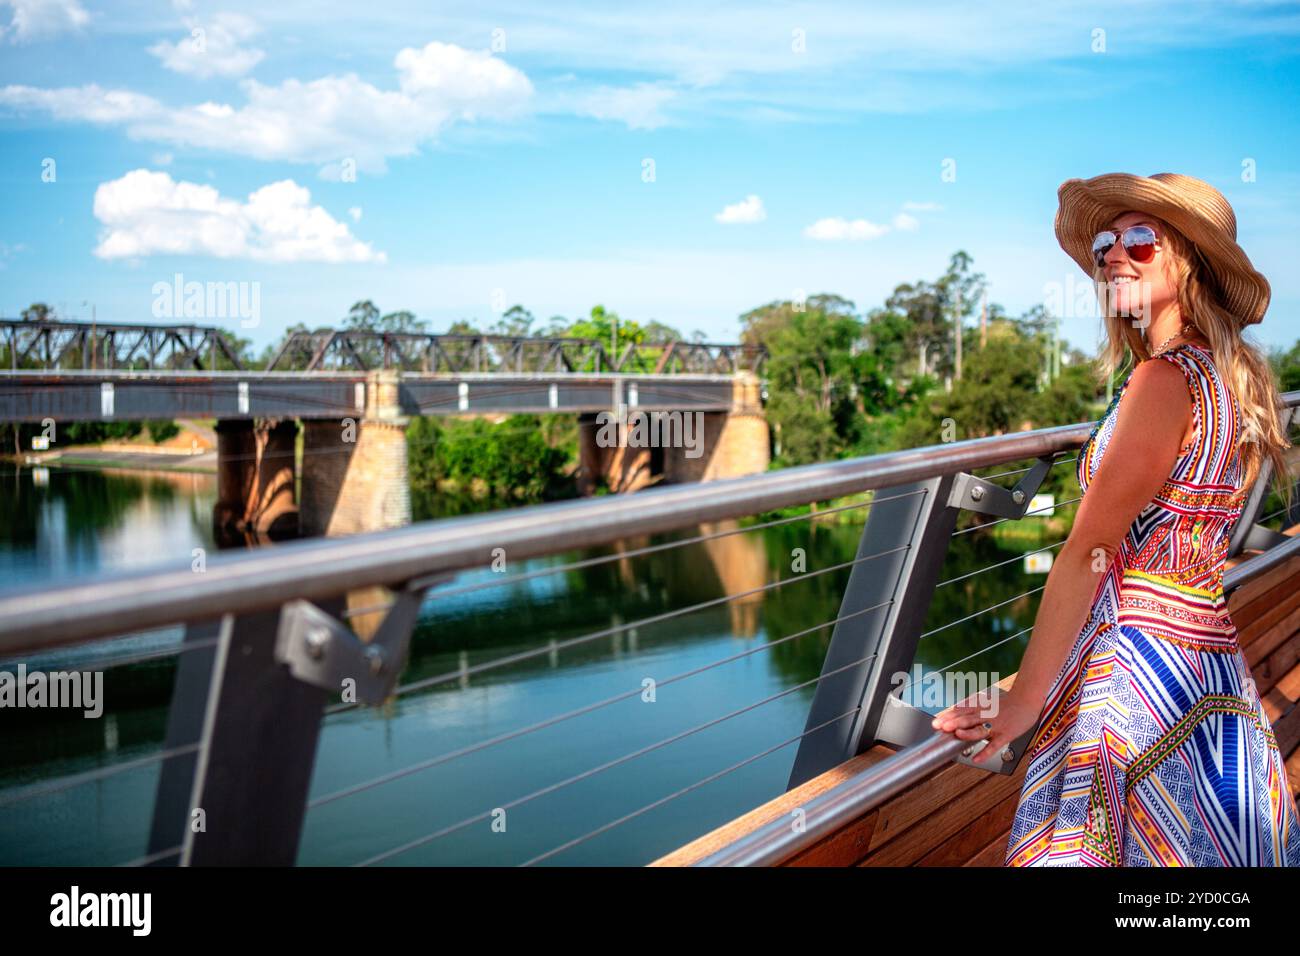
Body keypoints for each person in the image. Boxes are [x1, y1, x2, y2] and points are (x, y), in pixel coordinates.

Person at [932, 172, 1300, 866]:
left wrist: (1024, 702)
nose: (1111, 255)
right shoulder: (1224, 379)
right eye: (1106, 243)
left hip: (1129, 672)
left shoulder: (1162, 381)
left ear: (1190, 259)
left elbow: (1088, 549)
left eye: (1141, 240)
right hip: (1204, 661)